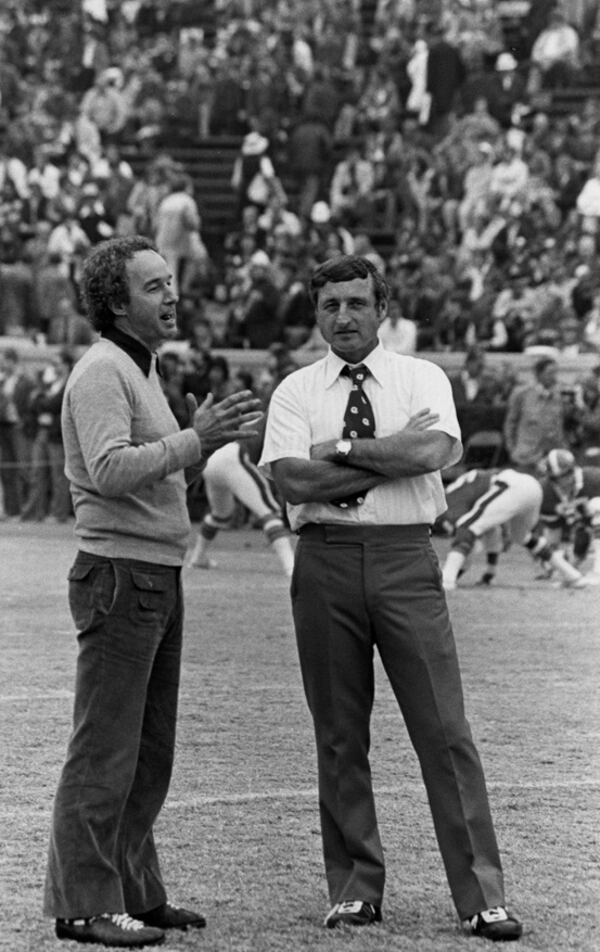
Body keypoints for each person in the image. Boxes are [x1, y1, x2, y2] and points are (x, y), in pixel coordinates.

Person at [259, 254, 522, 942]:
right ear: (316, 315)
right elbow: (291, 479)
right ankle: (354, 889)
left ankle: (480, 894)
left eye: (355, 303)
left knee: (444, 730)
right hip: (325, 563)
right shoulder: (294, 390)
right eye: (329, 306)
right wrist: (384, 456)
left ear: (382, 308)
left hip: (407, 557)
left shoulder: (420, 375)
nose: (342, 317)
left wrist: (344, 448)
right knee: (339, 734)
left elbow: (432, 452)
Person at [43, 235, 262, 948]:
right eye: (154, 286)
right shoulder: (103, 371)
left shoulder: (142, 369)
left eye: (170, 282)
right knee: (105, 750)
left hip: (152, 573)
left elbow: (155, 483)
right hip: (120, 575)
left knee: (147, 750)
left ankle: (135, 891)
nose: (171, 295)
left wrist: (195, 447)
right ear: (115, 303)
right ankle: (84, 904)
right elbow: (108, 471)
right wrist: (194, 441)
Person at [438, 466, 590, 591]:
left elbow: (468, 538)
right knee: (521, 536)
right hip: (530, 488)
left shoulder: (449, 502)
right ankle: (573, 576)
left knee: (467, 526)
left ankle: (447, 581)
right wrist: (490, 572)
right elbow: (491, 535)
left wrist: (454, 573)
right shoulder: (460, 491)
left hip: (511, 486)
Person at [503, 357, 567, 473]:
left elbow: (559, 425)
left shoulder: (558, 397)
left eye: (555, 373)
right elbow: (510, 423)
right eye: (550, 373)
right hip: (526, 456)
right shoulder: (521, 394)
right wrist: (512, 449)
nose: (554, 377)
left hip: (551, 455)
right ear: (538, 374)